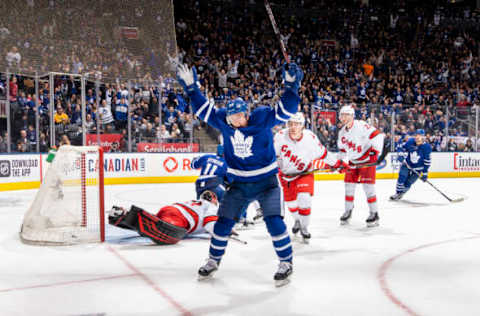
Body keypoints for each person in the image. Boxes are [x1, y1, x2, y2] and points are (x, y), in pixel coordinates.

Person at [176, 62, 303, 286]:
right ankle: (213, 260)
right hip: (239, 186)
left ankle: (286, 262)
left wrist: (292, 87)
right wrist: (192, 89)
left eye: (240, 116)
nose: (236, 120)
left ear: (247, 114)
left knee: (274, 222)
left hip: (266, 183)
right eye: (233, 116)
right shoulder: (224, 121)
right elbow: (203, 110)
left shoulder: (262, 118)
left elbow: (287, 110)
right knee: (223, 223)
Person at [274, 112, 348, 243]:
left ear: (302, 125)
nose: (293, 127)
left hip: (304, 173)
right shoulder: (280, 137)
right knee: (291, 204)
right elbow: (271, 156)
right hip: (286, 176)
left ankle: (304, 227)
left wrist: (337, 164)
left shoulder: (310, 138)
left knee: (304, 198)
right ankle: (297, 220)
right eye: (290, 124)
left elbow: (323, 154)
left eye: (296, 124)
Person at [108, 184, 225, 244]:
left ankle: (125, 214)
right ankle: (142, 219)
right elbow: (209, 223)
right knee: (168, 230)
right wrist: (222, 232)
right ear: (213, 200)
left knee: (159, 220)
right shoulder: (210, 206)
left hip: (170, 209)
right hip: (180, 218)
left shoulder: (197, 202)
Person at [336, 104, 385, 227]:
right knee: (348, 186)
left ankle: (374, 213)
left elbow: (378, 135)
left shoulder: (361, 125)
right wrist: (339, 163)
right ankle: (348, 211)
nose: (344, 117)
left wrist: (375, 152)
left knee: (368, 188)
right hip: (353, 162)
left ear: (352, 116)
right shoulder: (341, 132)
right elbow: (342, 150)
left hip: (367, 161)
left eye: (347, 115)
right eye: (342, 115)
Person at [390, 129, 432, 200]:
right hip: (407, 164)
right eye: (416, 135)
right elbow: (401, 147)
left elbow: (427, 161)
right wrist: (400, 155)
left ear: (423, 137)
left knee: (409, 183)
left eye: (419, 136)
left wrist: (425, 173)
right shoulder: (410, 141)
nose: (417, 137)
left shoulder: (427, 147)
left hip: (418, 168)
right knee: (401, 177)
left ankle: (401, 193)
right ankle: (397, 193)